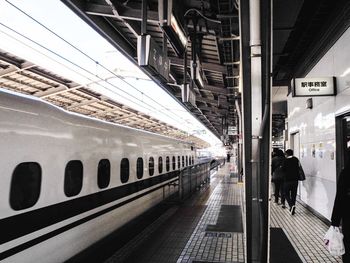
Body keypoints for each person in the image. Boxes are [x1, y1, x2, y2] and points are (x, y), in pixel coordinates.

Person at [331, 148, 350, 262]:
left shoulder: (346, 173)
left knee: (348, 245)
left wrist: (335, 221)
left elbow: (340, 198)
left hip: (348, 216)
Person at [282, 149, 301, 215]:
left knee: (286, 193)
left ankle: (291, 205)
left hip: (287, 180)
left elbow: (283, 169)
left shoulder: (285, 160)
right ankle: (292, 208)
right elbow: (299, 168)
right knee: (294, 194)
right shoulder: (296, 159)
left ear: (287, 154)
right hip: (295, 180)